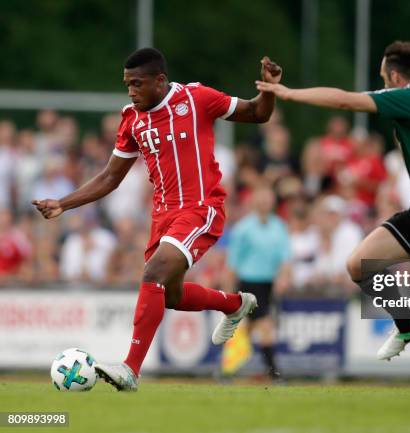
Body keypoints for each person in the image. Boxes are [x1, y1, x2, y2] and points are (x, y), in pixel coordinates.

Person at [257, 40, 410, 399]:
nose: (381, 84)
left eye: (383, 77)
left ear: (397, 77)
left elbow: (344, 100)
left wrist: (287, 93)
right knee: (358, 264)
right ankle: (406, 325)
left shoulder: (409, 98)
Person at [32, 47, 283, 391]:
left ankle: (130, 370)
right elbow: (109, 178)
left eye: (137, 83)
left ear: (160, 80)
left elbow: (257, 113)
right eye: (127, 85)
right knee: (170, 295)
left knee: (153, 273)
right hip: (163, 216)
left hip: (200, 207)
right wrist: (63, 203)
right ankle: (235, 304)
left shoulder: (197, 98)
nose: (131, 91)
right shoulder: (131, 119)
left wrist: (267, 91)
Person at [225, 184, 292, 380]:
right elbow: (232, 263)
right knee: (265, 326)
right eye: (260, 197)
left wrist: (284, 277)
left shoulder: (279, 226)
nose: (264, 202)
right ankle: (273, 372)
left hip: (267, 284)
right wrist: (228, 292)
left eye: (267, 197)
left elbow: (285, 258)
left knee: (250, 328)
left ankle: (228, 369)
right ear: (254, 201)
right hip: (247, 283)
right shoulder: (243, 229)